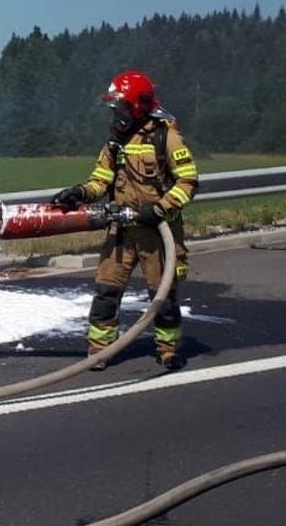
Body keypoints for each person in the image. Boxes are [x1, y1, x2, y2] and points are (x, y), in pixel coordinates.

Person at [51, 70, 199, 369]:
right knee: (106, 293)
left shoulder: (166, 137)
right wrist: (79, 193)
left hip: (158, 235)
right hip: (121, 234)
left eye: (121, 107)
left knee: (163, 297)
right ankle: (100, 351)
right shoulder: (115, 142)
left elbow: (188, 182)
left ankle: (167, 348)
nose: (116, 113)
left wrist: (158, 209)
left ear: (138, 106)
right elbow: (101, 180)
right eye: (113, 108)